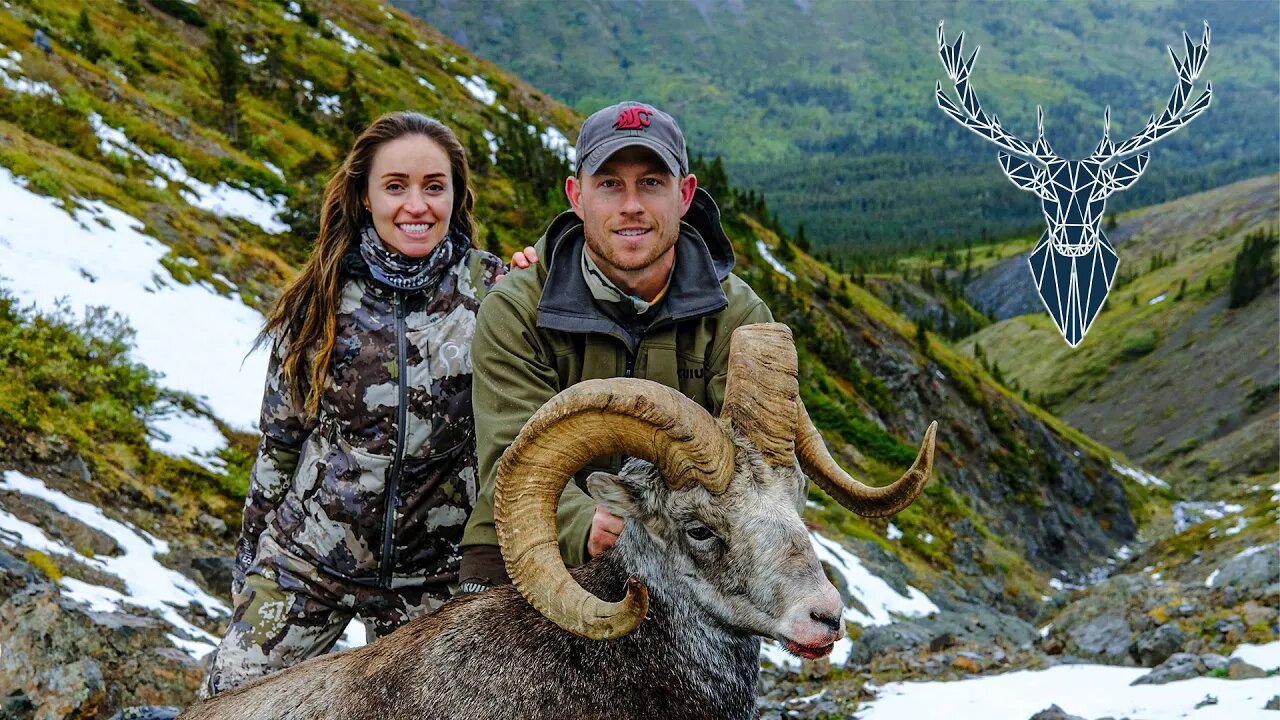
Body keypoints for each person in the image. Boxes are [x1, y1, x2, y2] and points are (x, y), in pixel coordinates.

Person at [202, 111, 504, 695]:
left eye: (433, 187)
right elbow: (280, 441)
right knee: (229, 698)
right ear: (365, 197)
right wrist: (250, 560)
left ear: (455, 196)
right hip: (308, 561)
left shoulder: (496, 294)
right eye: (396, 187)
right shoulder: (320, 296)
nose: (416, 205)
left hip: (435, 577)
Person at [457, 100, 774, 591]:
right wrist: (585, 523)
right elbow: (508, 458)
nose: (631, 205)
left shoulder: (740, 320)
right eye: (609, 184)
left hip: (683, 550)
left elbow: (758, 466)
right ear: (577, 196)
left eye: (651, 182)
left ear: (685, 195)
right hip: (532, 539)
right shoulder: (517, 309)